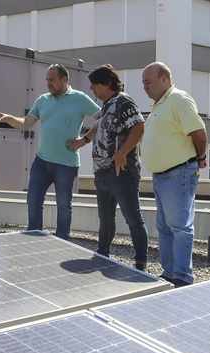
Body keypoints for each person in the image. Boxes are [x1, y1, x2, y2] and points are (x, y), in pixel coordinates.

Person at [0, 63, 100, 240]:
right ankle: (34, 236)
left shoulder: (80, 98)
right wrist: (7, 117)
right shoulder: (42, 100)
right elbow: (26, 123)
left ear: (65, 80)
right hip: (42, 162)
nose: (49, 83)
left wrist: (84, 140)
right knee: (33, 201)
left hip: (66, 163)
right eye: (47, 80)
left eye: (53, 80)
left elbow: (102, 119)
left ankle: (62, 240)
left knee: (63, 205)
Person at [68, 64, 149, 271]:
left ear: (107, 83)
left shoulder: (124, 101)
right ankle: (102, 254)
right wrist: (83, 141)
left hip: (121, 172)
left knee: (133, 218)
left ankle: (140, 263)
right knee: (105, 219)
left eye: (94, 84)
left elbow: (139, 126)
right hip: (102, 173)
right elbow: (100, 126)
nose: (91, 89)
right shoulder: (106, 105)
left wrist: (122, 153)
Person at [141, 62, 208, 287]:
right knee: (165, 227)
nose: (145, 87)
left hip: (178, 173)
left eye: (148, 82)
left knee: (179, 227)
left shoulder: (178, 99)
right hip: (162, 176)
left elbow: (198, 132)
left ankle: (182, 276)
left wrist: (200, 158)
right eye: (143, 83)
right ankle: (170, 273)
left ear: (164, 79)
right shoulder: (160, 104)